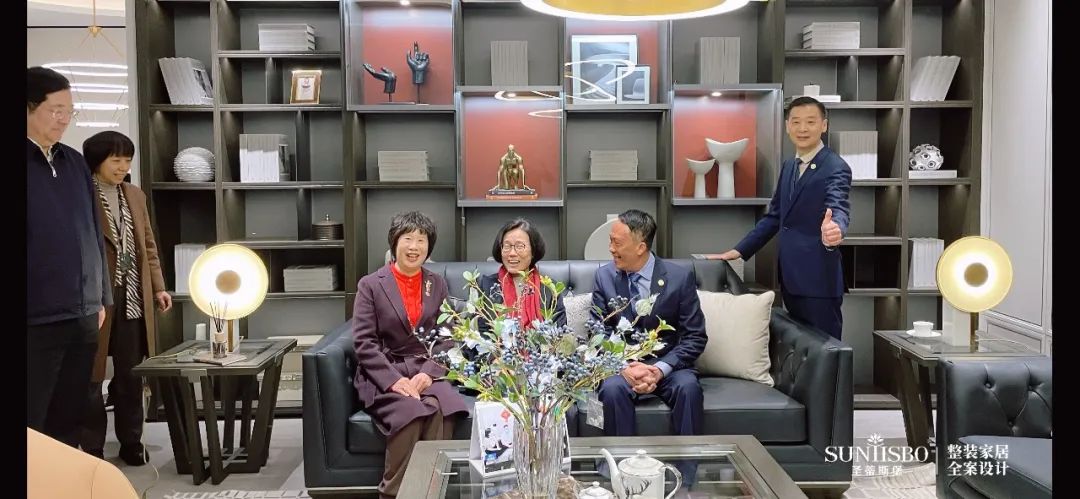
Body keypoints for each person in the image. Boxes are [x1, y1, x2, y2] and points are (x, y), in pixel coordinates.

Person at [352, 211, 468, 498]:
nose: (414, 246)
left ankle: (432, 490)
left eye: (421, 240)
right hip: (385, 370)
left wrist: (428, 373)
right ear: (394, 242)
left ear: (429, 247)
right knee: (411, 412)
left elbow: (446, 336)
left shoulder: (436, 283)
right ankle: (393, 492)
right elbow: (364, 342)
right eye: (407, 239)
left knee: (441, 409)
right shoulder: (371, 284)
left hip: (424, 367)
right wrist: (394, 381)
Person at [715, 96, 852, 339]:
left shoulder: (835, 166)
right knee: (798, 349)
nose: (802, 128)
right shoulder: (790, 165)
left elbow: (838, 206)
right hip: (791, 278)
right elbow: (775, 216)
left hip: (818, 281)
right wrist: (739, 251)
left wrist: (835, 229)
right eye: (796, 122)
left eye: (810, 122)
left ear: (824, 125)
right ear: (787, 126)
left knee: (825, 351)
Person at [27, 66, 112, 447]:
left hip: (82, 314)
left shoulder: (74, 162)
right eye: (55, 110)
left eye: (69, 111)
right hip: (35, 318)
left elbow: (94, 233)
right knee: (32, 418)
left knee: (70, 415)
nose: (64, 119)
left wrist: (101, 297)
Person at [591, 209, 706, 486]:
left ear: (641, 247)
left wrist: (659, 369)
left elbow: (695, 337)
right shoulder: (604, 276)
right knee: (612, 389)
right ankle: (621, 480)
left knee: (689, 389)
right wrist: (623, 367)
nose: (611, 249)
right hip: (622, 366)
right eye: (610, 241)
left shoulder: (679, 278)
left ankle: (685, 482)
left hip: (669, 365)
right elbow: (597, 333)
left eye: (617, 243)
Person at [78, 131, 173, 465]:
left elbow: (148, 244)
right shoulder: (80, 193)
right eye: (115, 160)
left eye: (127, 160)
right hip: (96, 298)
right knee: (91, 377)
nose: (122, 167)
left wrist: (158, 286)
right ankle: (92, 447)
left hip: (133, 294)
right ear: (97, 161)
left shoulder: (134, 194)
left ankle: (131, 441)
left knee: (131, 373)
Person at [478, 218, 566, 328]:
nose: (512, 253)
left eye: (520, 246)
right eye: (507, 246)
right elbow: (482, 333)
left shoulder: (550, 289)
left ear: (533, 251)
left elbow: (560, 332)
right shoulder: (487, 286)